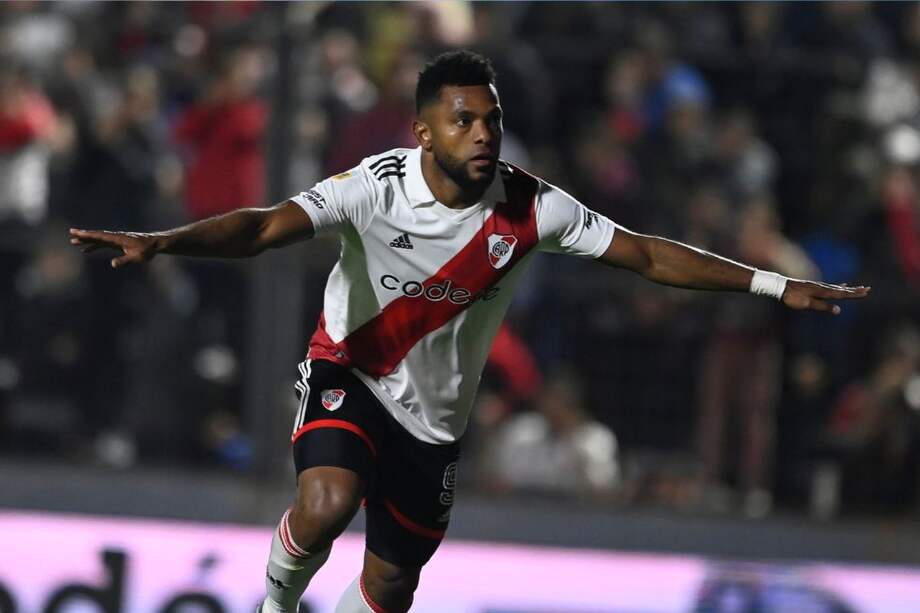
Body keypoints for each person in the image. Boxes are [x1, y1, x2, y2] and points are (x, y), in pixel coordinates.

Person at [70, 51, 869, 613]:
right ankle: (275, 603)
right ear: (425, 133)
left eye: (490, 119)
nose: (484, 134)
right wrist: (165, 240)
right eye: (464, 121)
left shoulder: (532, 207)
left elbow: (649, 255)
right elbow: (264, 228)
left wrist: (774, 282)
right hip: (351, 367)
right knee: (326, 498)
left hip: (435, 422)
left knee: (391, 585)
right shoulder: (374, 187)